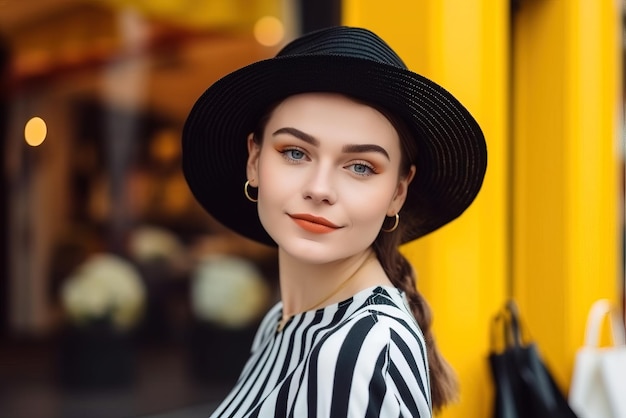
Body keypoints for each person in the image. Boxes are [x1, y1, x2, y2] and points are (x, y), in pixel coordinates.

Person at [182, 26, 487, 418]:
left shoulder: (362, 352)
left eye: (360, 166)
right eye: (295, 152)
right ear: (254, 161)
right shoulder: (284, 322)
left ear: (398, 191)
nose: (320, 188)